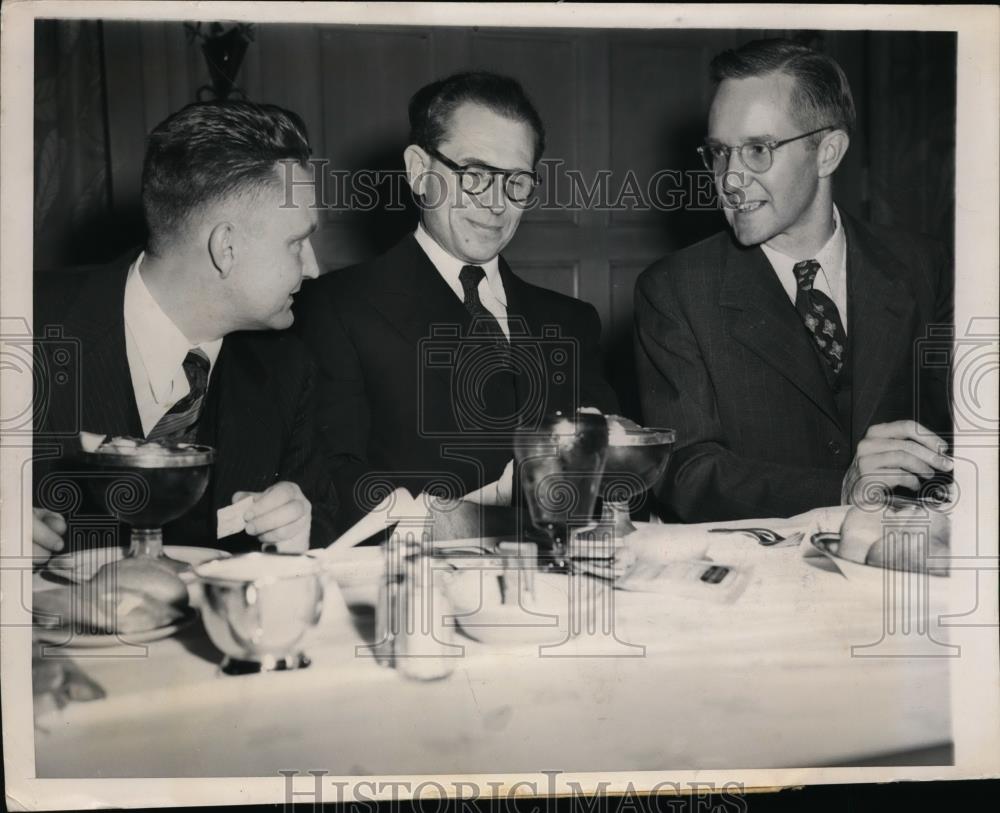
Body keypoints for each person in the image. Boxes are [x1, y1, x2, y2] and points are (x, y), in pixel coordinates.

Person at [635, 39, 953, 523]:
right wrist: (840, 488)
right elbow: (685, 471)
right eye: (719, 153)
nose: (729, 180)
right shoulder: (675, 290)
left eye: (757, 150)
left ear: (828, 153)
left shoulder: (924, 265)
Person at [295, 71, 618, 531]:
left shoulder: (572, 321)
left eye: (517, 182)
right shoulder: (336, 307)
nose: (496, 204)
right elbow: (331, 483)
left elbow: (612, 481)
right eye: (475, 175)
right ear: (418, 171)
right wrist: (476, 517)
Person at [32, 100, 337, 564]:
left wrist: (296, 535)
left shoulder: (288, 372)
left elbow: (322, 531)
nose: (314, 268)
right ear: (225, 247)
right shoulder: (24, 323)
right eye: (297, 242)